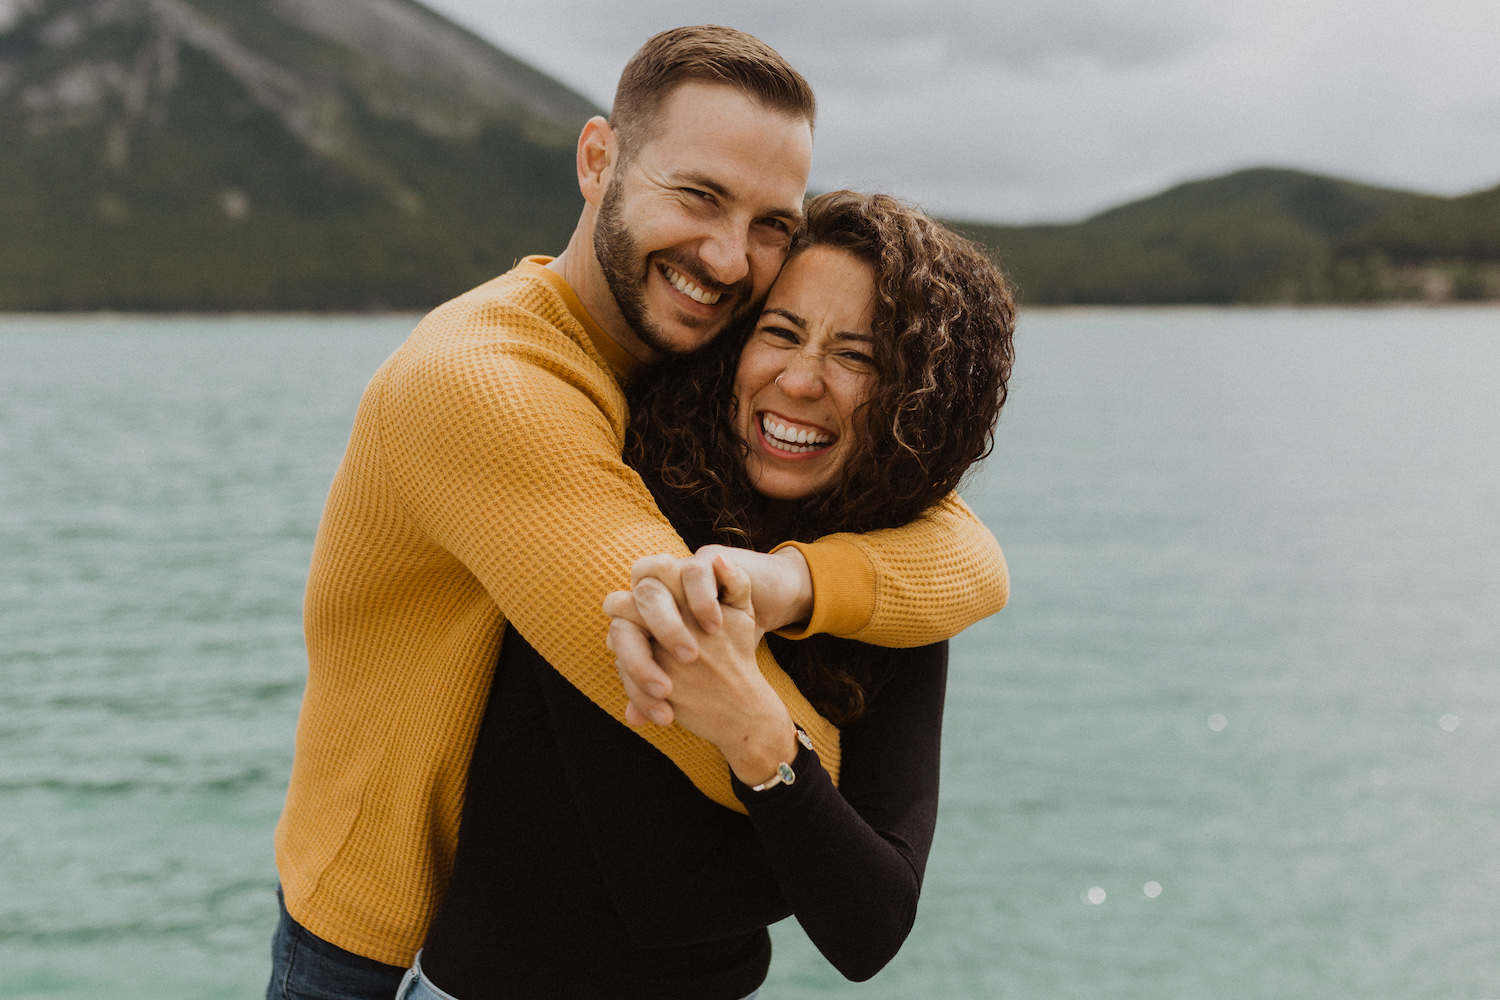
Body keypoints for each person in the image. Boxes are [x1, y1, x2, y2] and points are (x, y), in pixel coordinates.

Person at [266, 27, 1010, 1000]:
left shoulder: (688, 365)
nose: (728, 256)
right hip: (368, 948)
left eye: (769, 223)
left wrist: (799, 582)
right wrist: (821, 739)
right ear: (597, 160)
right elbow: (697, 701)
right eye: (699, 195)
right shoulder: (486, 388)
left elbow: (970, 552)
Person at [401, 191, 1016, 999]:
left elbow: (872, 928)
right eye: (780, 332)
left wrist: (760, 735)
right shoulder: (629, 494)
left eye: (857, 358)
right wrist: (807, 804)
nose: (799, 381)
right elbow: (671, 895)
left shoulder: (885, 569)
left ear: (920, 402)